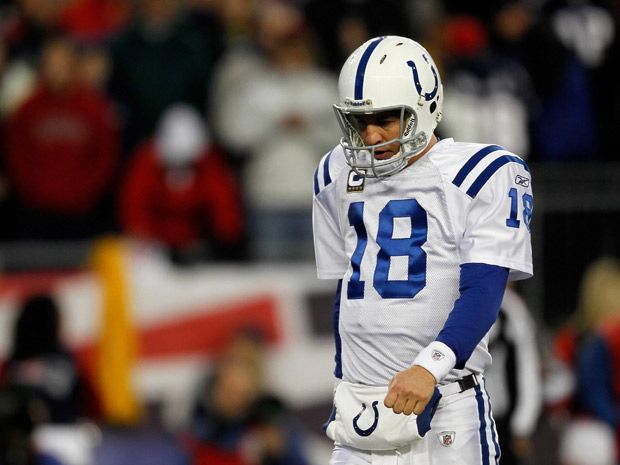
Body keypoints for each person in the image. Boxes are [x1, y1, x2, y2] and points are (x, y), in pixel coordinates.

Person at [312, 36, 533, 464]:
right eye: (359, 121)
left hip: (445, 406)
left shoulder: (483, 171)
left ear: (425, 107)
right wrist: (344, 379)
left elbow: (485, 290)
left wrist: (428, 367)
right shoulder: (334, 171)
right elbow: (346, 286)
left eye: (385, 119)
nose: (370, 134)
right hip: (363, 411)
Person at [485, 285, 542, 465]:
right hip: (451, 413)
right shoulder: (445, 297)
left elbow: (527, 367)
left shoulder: (509, 307)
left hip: (496, 418)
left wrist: (523, 423)